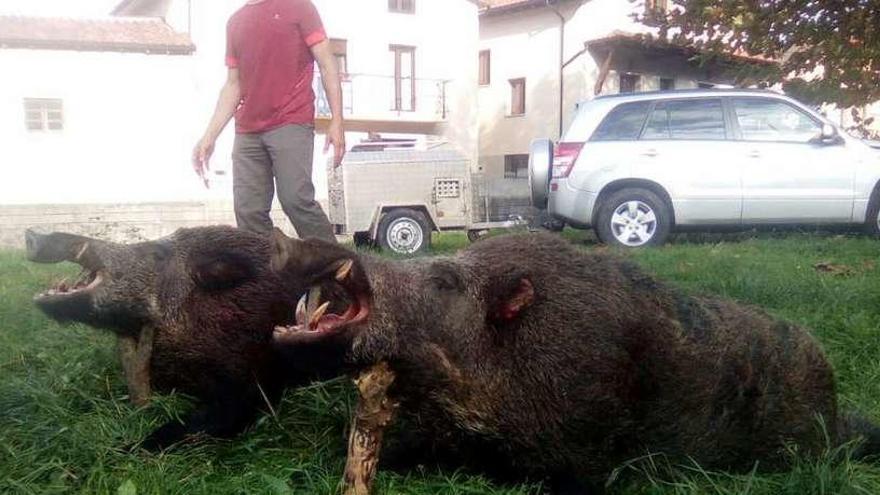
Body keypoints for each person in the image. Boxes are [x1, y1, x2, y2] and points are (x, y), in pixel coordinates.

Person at [192, 0, 344, 243]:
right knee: (248, 213)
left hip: (290, 120)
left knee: (296, 200)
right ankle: (269, 277)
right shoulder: (235, 22)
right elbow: (234, 84)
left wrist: (337, 121)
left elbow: (327, 64)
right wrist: (208, 137)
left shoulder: (299, 6)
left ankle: (339, 271)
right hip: (248, 132)